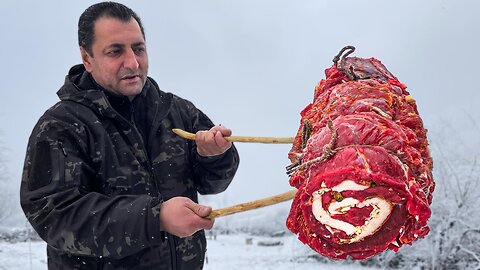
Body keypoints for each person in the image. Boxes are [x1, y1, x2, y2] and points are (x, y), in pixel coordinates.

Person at [20, 2, 239, 269]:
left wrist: (214, 156)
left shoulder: (178, 112)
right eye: (115, 51)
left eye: (138, 48)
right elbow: (54, 215)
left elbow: (213, 184)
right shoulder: (61, 125)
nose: (132, 62)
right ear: (87, 58)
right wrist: (155, 218)